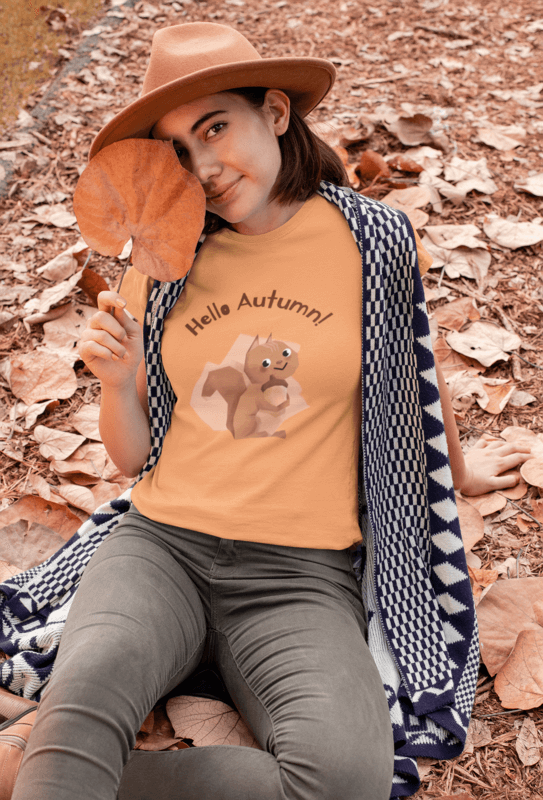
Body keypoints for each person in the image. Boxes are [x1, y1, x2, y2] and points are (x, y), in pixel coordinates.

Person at [10, 22, 527, 800]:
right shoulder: (166, 257)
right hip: (161, 548)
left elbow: (409, 376)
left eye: (216, 126)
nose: (205, 168)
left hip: (297, 574)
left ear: (276, 112)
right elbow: (130, 460)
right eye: (178, 151)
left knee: (343, 781)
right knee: (88, 694)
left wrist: (456, 471)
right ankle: (62, 753)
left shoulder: (373, 242)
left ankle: (35, 765)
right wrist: (116, 384)